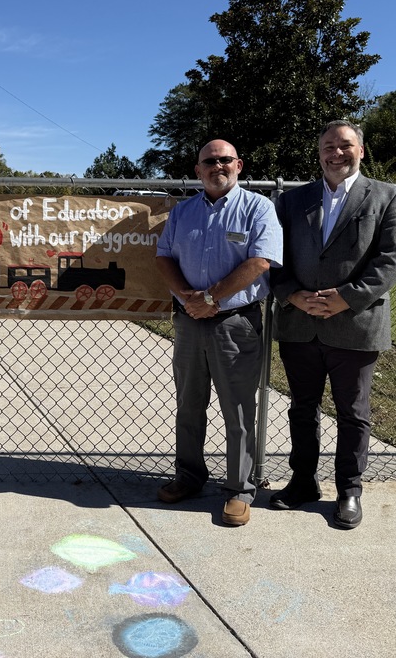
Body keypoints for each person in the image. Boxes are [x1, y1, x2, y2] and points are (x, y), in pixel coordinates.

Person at [270, 120, 396, 529]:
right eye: (328, 146)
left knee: (353, 413)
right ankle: (302, 482)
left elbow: (393, 258)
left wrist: (346, 298)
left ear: (361, 150)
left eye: (345, 145)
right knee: (302, 408)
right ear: (319, 153)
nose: (336, 153)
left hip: (356, 325)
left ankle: (349, 490)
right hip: (299, 324)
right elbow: (271, 254)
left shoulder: (389, 197)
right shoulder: (293, 201)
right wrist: (292, 294)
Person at [155, 139, 283, 526]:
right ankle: (189, 477)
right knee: (189, 405)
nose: (218, 166)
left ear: (239, 165)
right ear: (197, 170)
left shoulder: (259, 208)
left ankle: (240, 490)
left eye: (225, 160)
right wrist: (188, 299)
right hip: (189, 323)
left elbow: (261, 260)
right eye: (209, 161)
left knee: (239, 409)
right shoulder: (183, 212)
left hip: (236, 323)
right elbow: (163, 256)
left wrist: (211, 297)